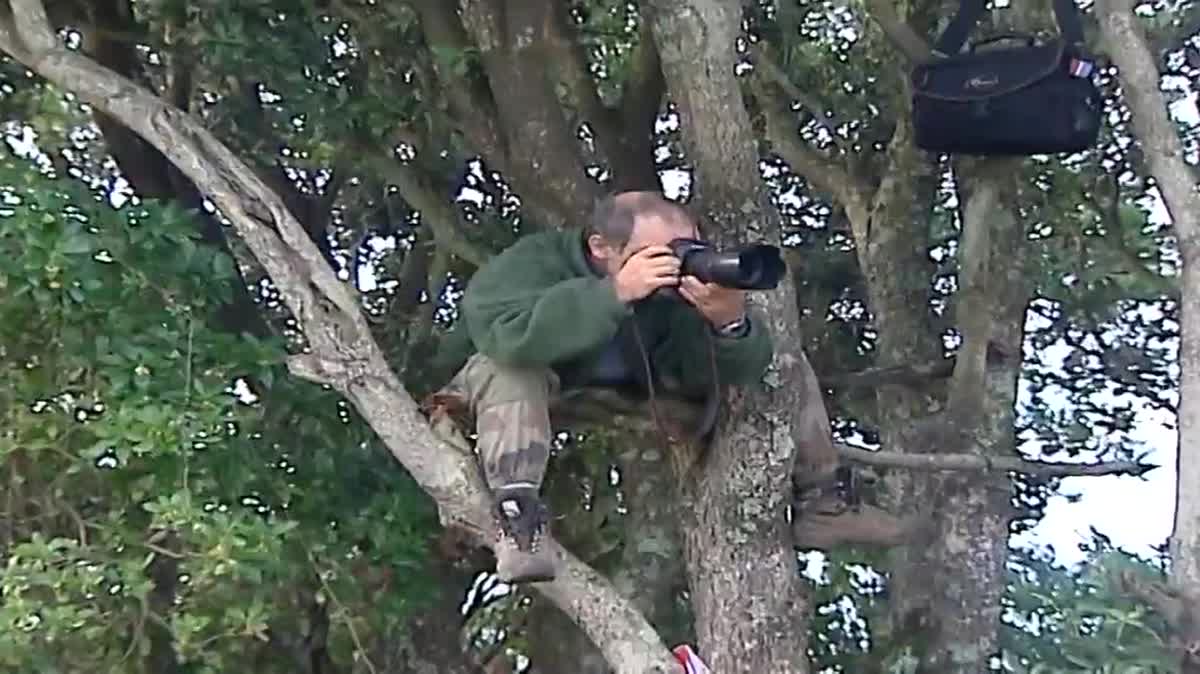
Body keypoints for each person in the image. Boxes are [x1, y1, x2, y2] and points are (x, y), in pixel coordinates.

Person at [427, 190, 774, 583]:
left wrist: (728, 324)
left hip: (599, 397)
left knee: (784, 370)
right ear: (600, 247)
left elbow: (702, 369)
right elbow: (507, 340)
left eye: (685, 249)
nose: (674, 264)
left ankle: (821, 496)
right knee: (513, 371)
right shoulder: (535, 262)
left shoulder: (673, 293)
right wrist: (615, 293)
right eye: (657, 254)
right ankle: (517, 520)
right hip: (497, 391)